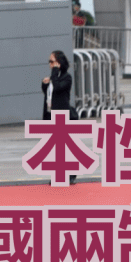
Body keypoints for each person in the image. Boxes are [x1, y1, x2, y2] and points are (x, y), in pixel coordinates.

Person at [42, 50, 76, 184]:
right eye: (49, 62)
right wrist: (45, 84)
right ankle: (58, 174)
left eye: (52, 62)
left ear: (59, 63)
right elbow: (49, 94)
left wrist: (54, 74)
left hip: (63, 116)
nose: (50, 65)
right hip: (51, 115)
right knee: (55, 147)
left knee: (65, 147)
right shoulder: (53, 78)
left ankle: (71, 174)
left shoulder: (66, 77)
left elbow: (58, 88)